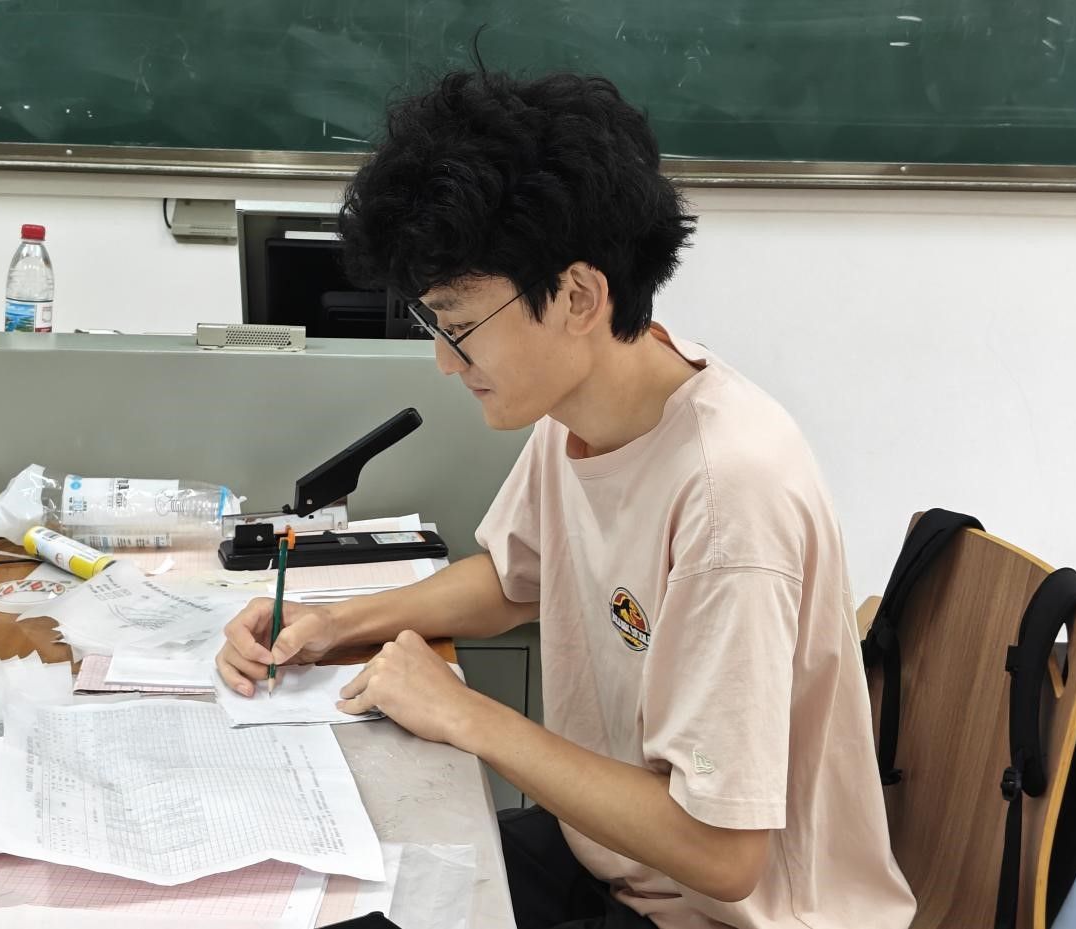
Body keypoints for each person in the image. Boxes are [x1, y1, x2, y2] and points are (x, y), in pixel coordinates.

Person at [216, 67, 916, 929]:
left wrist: (464, 714)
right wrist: (334, 623)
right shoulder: (581, 408)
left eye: (458, 327)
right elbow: (513, 578)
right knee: (336, 891)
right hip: (612, 865)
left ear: (579, 296)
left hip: (719, 913)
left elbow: (723, 854)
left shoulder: (729, 495)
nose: (444, 362)